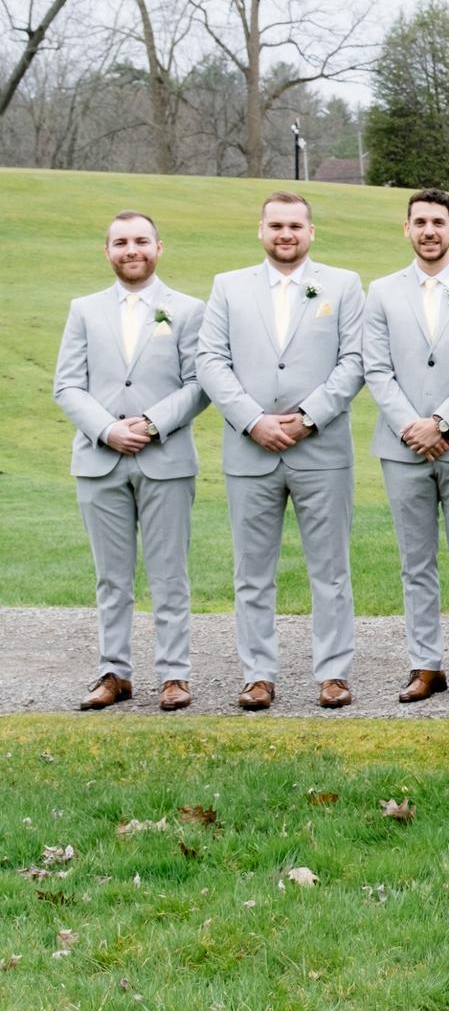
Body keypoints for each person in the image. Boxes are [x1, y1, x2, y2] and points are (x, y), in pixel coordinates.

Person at [196, 191, 365, 711]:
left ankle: (333, 673)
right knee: (251, 570)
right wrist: (253, 421)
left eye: (294, 225)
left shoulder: (343, 284)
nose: (285, 234)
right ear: (261, 230)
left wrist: (309, 417)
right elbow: (210, 360)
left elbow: (355, 361)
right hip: (251, 450)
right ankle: (257, 675)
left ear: (311, 232)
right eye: (275, 225)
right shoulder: (228, 287)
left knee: (331, 568)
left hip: (323, 449)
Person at [53, 211, 210, 712]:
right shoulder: (84, 309)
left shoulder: (187, 309)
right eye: (120, 242)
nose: (131, 250)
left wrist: (149, 424)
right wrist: (107, 429)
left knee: (169, 573)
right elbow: (67, 384)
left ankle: (174, 675)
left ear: (159, 247)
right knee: (111, 576)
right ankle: (113, 672)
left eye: (141, 240)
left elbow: (199, 384)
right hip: (99, 460)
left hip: (166, 458)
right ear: (107, 252)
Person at [362, 189, 449, 704]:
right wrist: (411, 426)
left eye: (438, 222)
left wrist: (442, 422)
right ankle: (425, 664)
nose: (429, 231)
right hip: (402, 448)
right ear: (407, 229)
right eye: (420, 222)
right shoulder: (379, 292)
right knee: (415, 559)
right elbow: (375, 368)